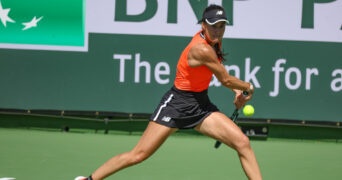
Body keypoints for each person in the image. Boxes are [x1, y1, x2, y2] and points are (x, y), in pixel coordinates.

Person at [75, 4, 262, 180]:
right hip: (176, 105)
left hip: (201, 105)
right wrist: (247, 87)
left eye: (222, 26)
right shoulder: (201, 49)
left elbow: (221, 73)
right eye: (213, 26)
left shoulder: (214, 42)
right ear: (203, 25)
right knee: (139, 155)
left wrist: (237, 91)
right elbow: (225, 79)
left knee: (242, 142)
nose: (218, 30)